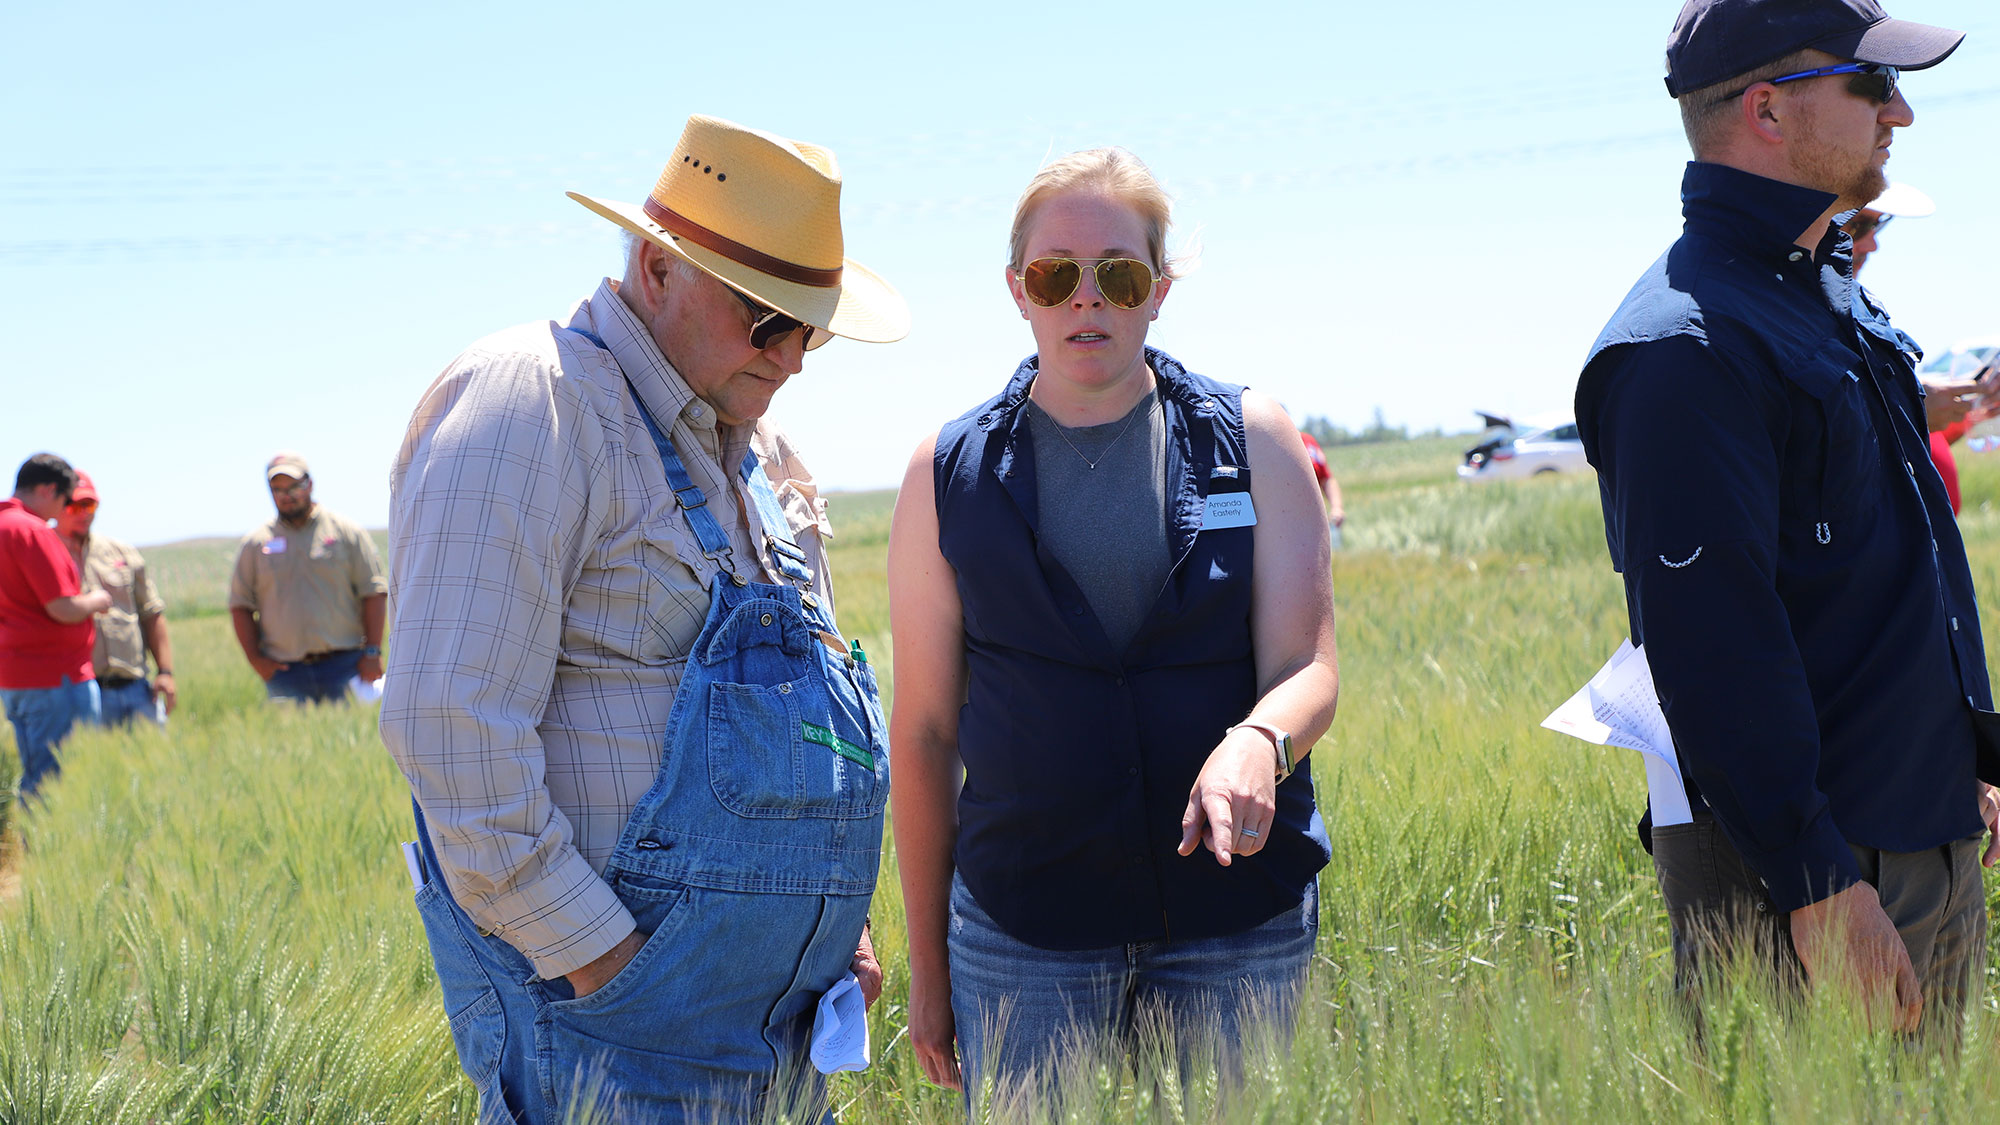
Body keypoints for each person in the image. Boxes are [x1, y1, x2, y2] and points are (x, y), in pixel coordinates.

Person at [379, 114, 908, 1124]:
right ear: (657, 270)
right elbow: (451, 732)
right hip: (620, 1051)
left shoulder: (757, 450)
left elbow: (805, 717)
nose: (792, 355)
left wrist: (836, 938)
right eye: (767, 319)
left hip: (787, 1054)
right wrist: (615, 975)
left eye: (811, 327)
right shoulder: (534, 402)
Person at [1576, 0, 1999, 1038]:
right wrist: (1814, 886)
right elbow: (1709, 649)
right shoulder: (1684, 346)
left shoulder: (1821, 296)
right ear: (1766, 109)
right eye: (1869, 84)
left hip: (1915, 834)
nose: (1897, 112)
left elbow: (1892, 574)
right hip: (1816, 882)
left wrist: (1967, 769)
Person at [888, 148, 1338, 1112]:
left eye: (1119, 274)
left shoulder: (1254, 439)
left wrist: (1261, 739)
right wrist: (932, 968)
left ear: (1159, 289)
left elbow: (1307, 667)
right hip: (1025, 930)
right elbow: (924, 734)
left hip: (1237, 912)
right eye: (1056, 275)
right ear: (1018, 290)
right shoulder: (946, 472)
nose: (1086, 299)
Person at [1837, 182, 1997, 514]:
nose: (1872, 244)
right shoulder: (1795, 324)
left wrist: (1964, 413)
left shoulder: (1858, 314)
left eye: (1877, 225)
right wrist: (1913, 412)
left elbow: (1911, 438)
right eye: (1857, 226)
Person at [227, 452, 386, 703]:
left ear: (309, 484)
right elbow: (240, 606)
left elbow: (374, 592)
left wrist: (373, 652)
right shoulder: (255, 545)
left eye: (293, 487)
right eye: (277, 489)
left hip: (347, 666)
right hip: (285, 673)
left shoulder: (346, 532)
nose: (286, 495)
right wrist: (257, 661)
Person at [1, 453, 109, 800]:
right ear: (48, 489)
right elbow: (62, 607)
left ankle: (41, 852)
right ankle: (49, 854)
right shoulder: (30, 530)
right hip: (55, 678)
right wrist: (97, 600)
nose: (63, 510)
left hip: (17, 676)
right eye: (64, 500)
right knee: (60, 784)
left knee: (39, 773)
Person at [54, 471, 176, 725]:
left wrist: (165, 672)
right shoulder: (45, 553)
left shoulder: (121, 551)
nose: (84, 513)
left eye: (89, 505)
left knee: (154, 761)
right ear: (59, 505)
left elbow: (151, 613)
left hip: (137, 687)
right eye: (74, 506)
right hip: (80, 692)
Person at [1300, 429, 1346, 549]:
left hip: (1315, 523)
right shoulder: (1257, 442)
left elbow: (1326, 478)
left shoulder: (1307, 441)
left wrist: (1337, 508)